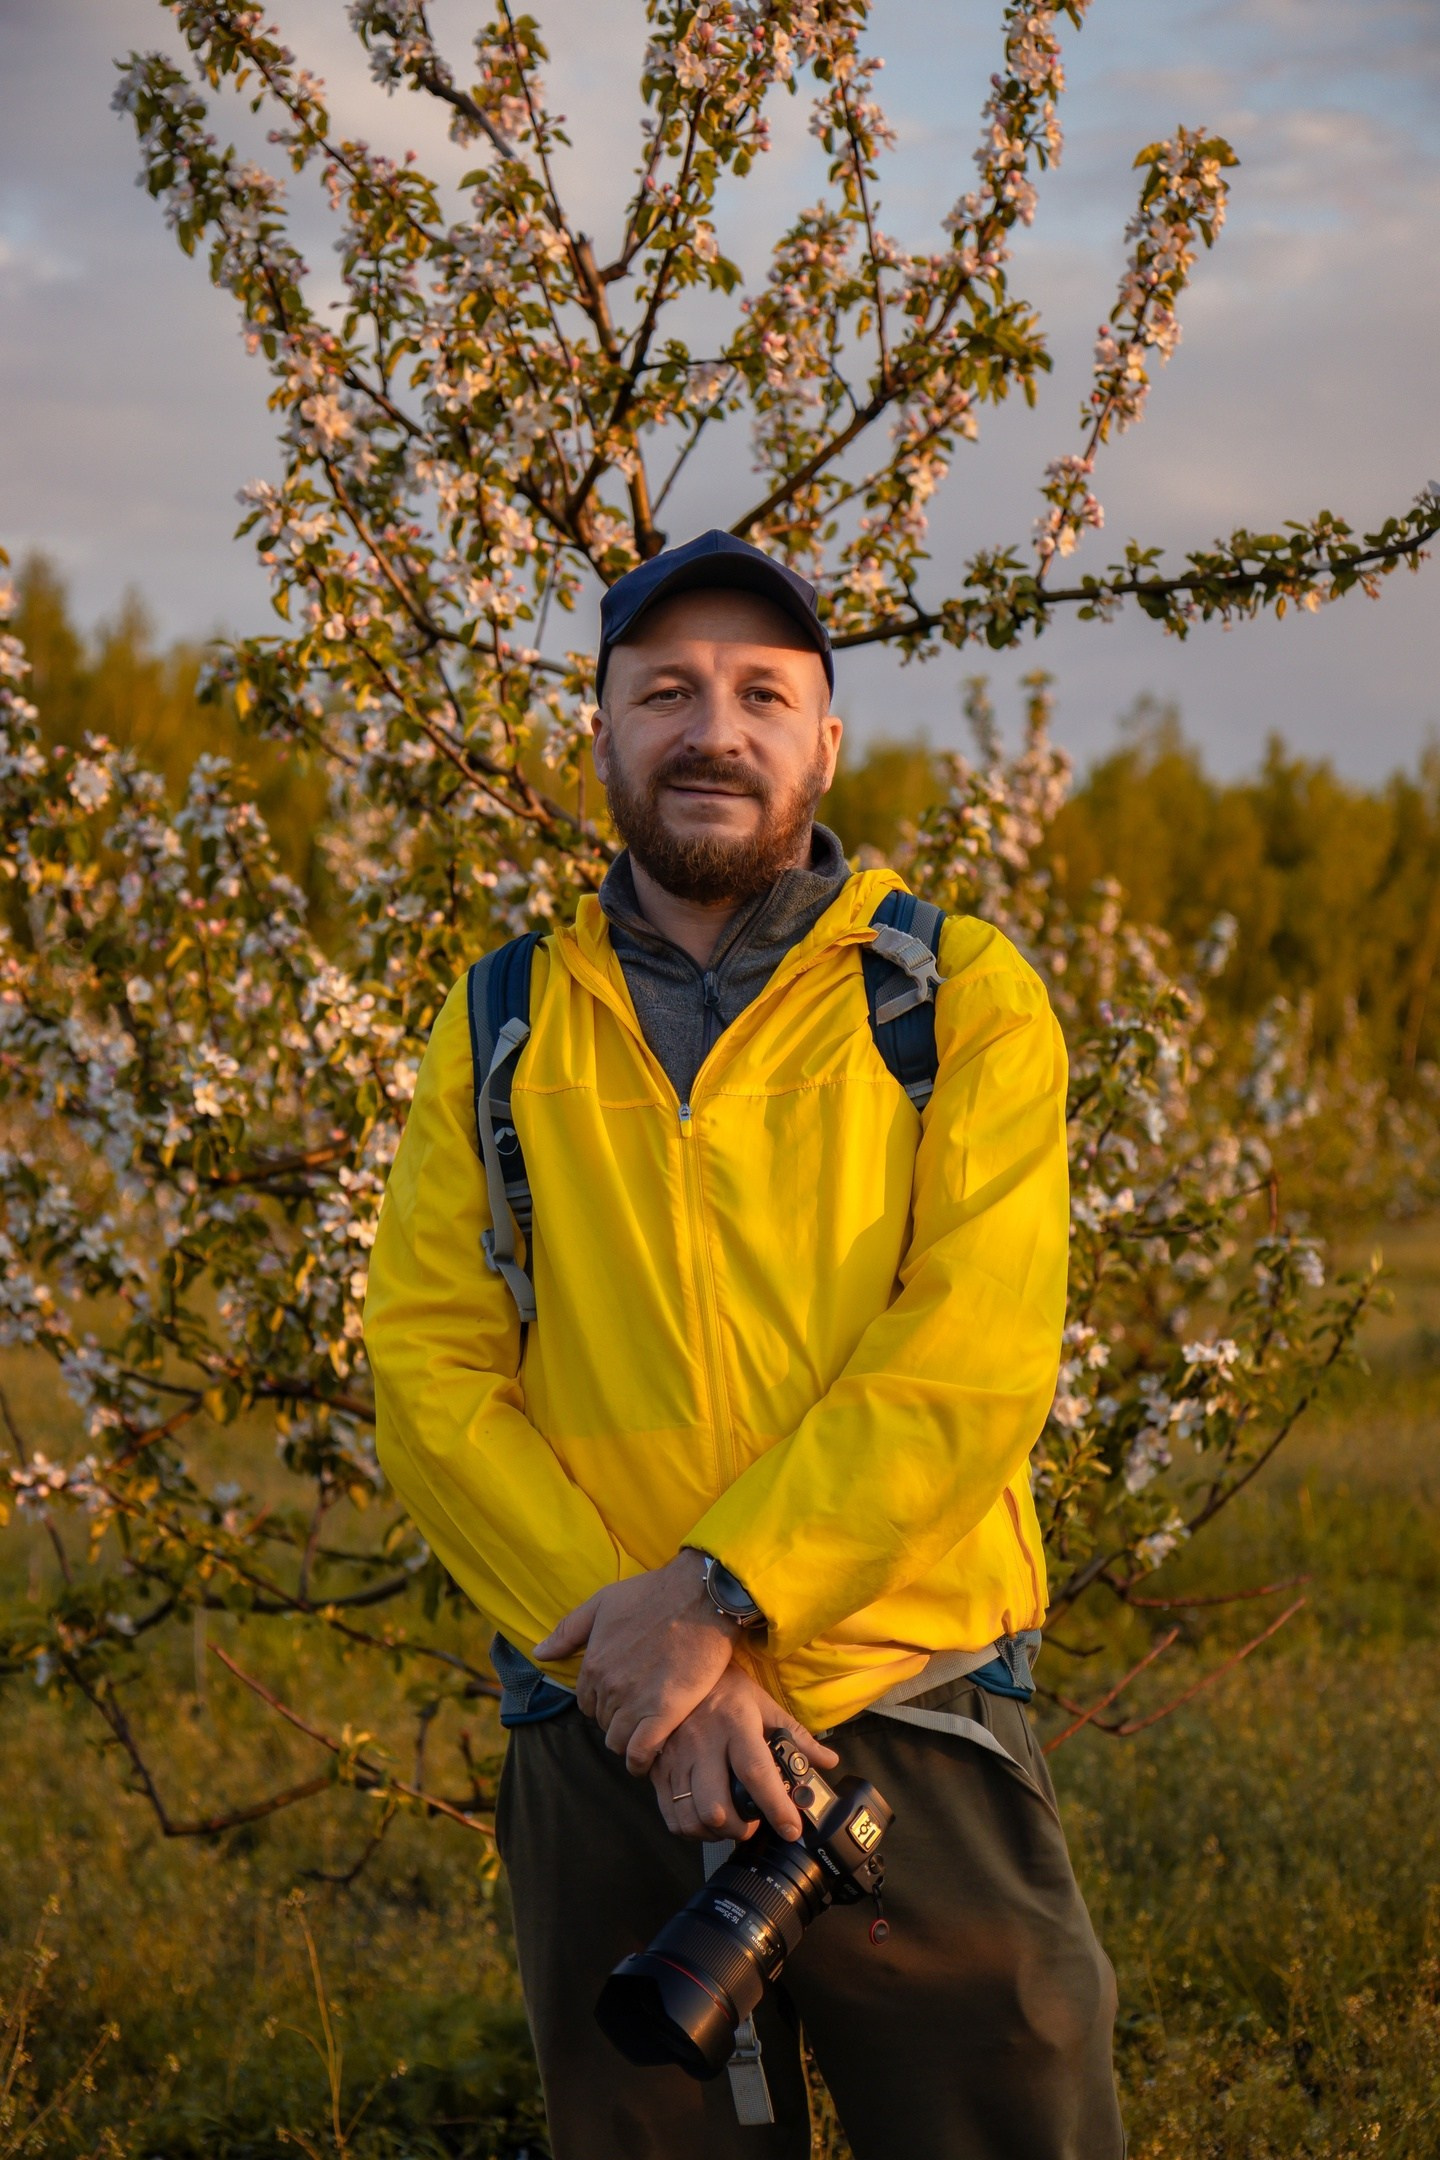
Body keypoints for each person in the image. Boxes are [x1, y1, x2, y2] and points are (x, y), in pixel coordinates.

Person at [364, 530, 1124, 2160]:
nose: (715, 727)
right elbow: (427, 1370)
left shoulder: (953, 994)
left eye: (763, 692)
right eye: (667, 691)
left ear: (825, 741)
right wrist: (644, 1670)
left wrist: (717, 1603)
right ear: (604, 737)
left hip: (906, 1710)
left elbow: (974, 1359)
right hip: (605, 1739)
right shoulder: (501, 1018)